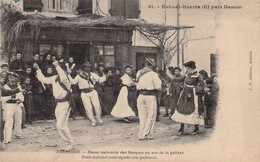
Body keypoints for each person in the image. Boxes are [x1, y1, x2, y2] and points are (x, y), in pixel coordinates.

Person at [34, 61, 75, 149]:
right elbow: (43, 79)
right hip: (58, 103)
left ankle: (70, 142)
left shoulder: (67, 79)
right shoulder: (55, 78)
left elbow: (63, 78)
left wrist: (57, 66)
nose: (61, 71)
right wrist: (38, 69)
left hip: (65, 104)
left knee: (62, 125)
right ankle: (67, 142)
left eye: (62, 69)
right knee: (58, 125)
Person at [171, 61, 206, 135]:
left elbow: (203, 84)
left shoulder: (197, 75)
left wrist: (205, 91)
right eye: (186, 68)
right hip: (185, 93)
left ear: (192, 68)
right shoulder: (186, 74)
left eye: (188, 68)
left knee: (193, 110)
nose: (187, 70)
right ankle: (181, 128)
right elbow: (179, 79)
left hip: (193, 94)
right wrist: (172, 78)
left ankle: (196, 128)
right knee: (182, 109)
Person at [68, 62, 107, 127]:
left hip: (92, 91)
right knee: (88, 107)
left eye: (89, 67)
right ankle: (92, 120)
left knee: (96, 105)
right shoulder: (79, 76)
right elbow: (73, 82)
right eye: (86, 67)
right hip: (84, 93)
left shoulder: (93, 74)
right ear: (84, 68)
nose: (88, 68)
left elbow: (100, 80)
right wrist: (68, 76)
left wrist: (106, 76)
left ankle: (98, 118)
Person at [136, 58, 161, 140]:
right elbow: (158, 87)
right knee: (151, 116)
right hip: (150, 96)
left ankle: (141, 133)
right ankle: (145, 134)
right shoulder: (153, 74)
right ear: (151, 66)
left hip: (140, 95)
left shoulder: (139, 73)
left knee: (142, 116)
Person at [1, 72, 25, 144]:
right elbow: (2, 98)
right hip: (9, 105)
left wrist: (20, 100)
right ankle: (7, 138)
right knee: (9, 121)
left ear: (16, 78)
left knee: (18, 120)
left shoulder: (18, 86)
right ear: (8, 78)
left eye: (13, 77)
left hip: (17, 104)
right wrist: (10, 97)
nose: (12, 79)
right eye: (10, 77)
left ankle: (18, 133)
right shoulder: (5, 86)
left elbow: (21, 95)